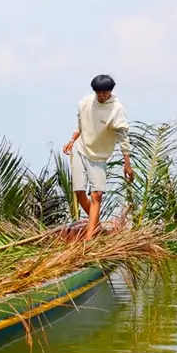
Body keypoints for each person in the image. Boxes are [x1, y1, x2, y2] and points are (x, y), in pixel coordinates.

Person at [62, 74, 134, 241]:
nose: (102, 96)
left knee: (97, 195)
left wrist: (127, 164)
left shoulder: (116, 109)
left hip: (100, 157)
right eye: (99, 92)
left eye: (105, 92)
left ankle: (89, 238)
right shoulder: (85, 103)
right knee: (79, 192)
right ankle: (97, 226)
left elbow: (123, 137)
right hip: (80, 149)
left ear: (110, 91)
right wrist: (72, 140)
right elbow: (80, 125)